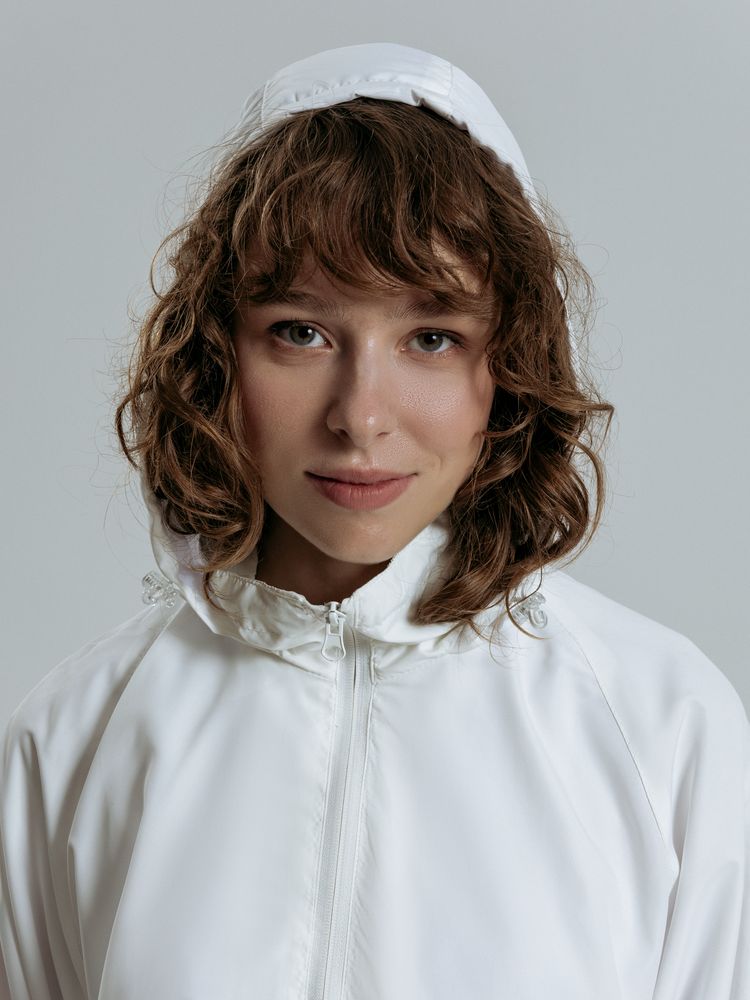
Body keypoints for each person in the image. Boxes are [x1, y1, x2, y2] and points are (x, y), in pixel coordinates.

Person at [0, 41, 747, 1000]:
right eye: (300, 332)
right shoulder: (72, 737)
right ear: (219, 355)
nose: (360, 416)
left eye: (431, 338)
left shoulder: (663, 724)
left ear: (508, 369)